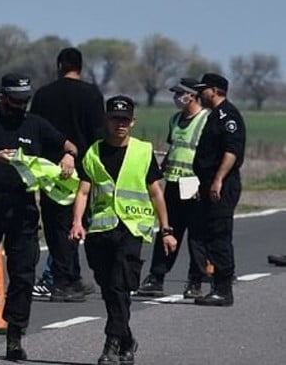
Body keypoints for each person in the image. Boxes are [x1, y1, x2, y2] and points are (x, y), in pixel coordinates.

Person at [0, 73, 77, 361]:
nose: (21, 106)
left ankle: (15, 333)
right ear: (2, 97)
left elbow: (69, 144)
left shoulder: (34, 124)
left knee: (23, 273)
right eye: (16, 100)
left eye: (25, 100)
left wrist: (68, 156)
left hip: (22, 208)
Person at [69, 95, 177, 365]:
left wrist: (166, 229)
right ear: (107, 120)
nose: (120, 124)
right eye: (116, 119)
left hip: (132, 228)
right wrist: (77, 222)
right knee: (109, 289)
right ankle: (127, 339)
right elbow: (83, 191)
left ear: (133, 122)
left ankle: (112, 343)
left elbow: (156, 193)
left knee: (119, 285)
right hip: (100, 230)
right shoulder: (93, 152)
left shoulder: (142, 151)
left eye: (125, 120)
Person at [28, 47, 103, 302]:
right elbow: (98, 135)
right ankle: (69, 278)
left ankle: (65, 279)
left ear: (59, 65)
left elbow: (34, 132)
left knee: (56, 227)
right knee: (78, 223)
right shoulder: (92, 94)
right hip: (84, 170)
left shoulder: (43, 95)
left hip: (51, 172)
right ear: (80, 67)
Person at [136, 77, 210, 298]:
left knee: (196, 235)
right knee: (167, 230)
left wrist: (203, 183)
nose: (177, 98)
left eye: (181, 93)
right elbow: (174, 147)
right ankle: (157, 277)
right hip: (173, 182)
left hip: (192, 183)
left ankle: (195, 281)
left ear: (192, 96)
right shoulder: (175, 119)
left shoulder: (206, 120)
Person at [188, 73, 245, 307]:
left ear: (215, 90)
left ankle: (223, 289)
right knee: (210, 233)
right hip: (209, 183)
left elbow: (231, 151)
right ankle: (216, 284)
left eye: (204, 90)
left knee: (220, 234)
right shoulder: (214, 116)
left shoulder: (227, 115)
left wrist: (218, 179)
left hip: (222, 184)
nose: (200, 94)